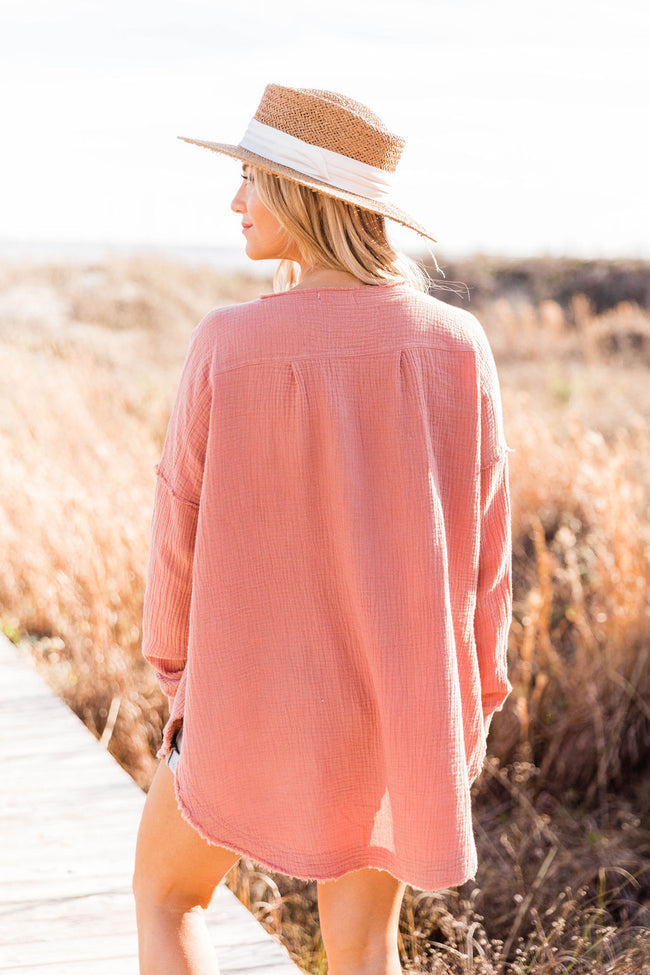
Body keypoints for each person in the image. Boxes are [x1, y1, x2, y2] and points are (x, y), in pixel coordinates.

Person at [133, 84, 512, 975]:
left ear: (305, 196)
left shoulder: (225, 342)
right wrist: (474, 699)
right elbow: (486, 555)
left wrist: (176, 674)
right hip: (396, 705)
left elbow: (175, 525)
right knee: (362, 943)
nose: (234, 202)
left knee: (168, 895)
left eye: (251, 181)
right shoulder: (459, 344)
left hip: (244, 699)